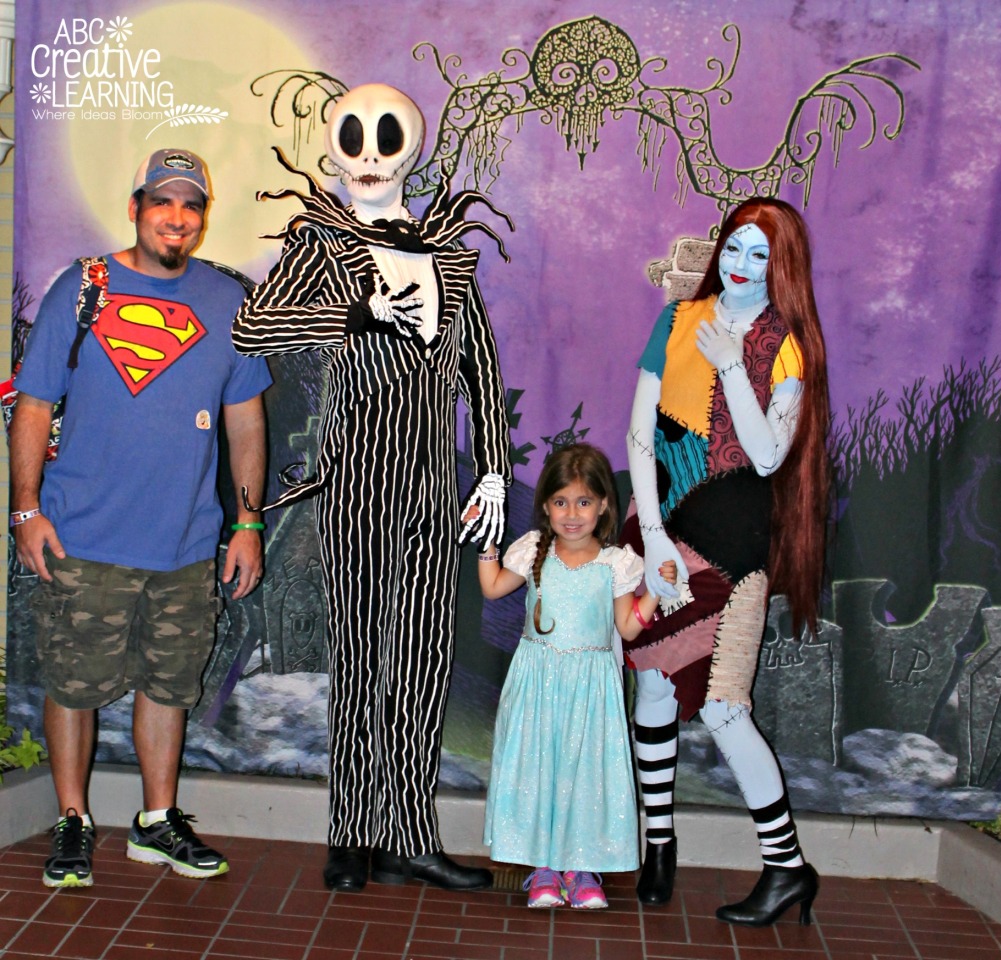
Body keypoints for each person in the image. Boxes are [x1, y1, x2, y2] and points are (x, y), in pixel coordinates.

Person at [233, 83, 511, 892]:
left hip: (431, 489)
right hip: (354, 481)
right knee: (358, 655)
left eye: (384, 137)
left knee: (423, 658)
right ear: (333, 145)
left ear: (409, 148)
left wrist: (491, 466)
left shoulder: (450, 257)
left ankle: (410, 832)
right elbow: (254, 326)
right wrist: (349, 316)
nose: (366, 155)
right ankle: (351, 833)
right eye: (351, 136)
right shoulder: (322, 244)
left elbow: (481, 375)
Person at [9, 147, 272, 889]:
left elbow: (246, 422)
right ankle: (72, 819)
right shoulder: (84, 287)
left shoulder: (225, 303)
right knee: (75, 684)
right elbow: (33, 403)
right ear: (137, 206)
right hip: (84, 534)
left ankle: (157, 820)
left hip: (186, 544)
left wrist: (246, 524)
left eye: (191, 206)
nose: (177, 218)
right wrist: (24, 509)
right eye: (164, 202)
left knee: (169, 684)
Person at [624, 197, 830, 925]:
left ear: (784, 268)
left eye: (760, 255)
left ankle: (786, 867)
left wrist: (731, 368)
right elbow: (640, 433)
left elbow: (770, 454)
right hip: (660, 529)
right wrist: (648, 538)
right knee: (651, 683)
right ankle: (657, 844)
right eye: (735, 248)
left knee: (721, 705)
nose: (742, 266)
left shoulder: (787, 346)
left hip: (736, 551)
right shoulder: (678, 318)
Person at [474, 443, 676, 909]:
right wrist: (485, 540)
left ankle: (581, 868)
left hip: (592, 690)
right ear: (545, 506)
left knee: (586, 773)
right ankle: (543, 867)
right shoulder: (531, 552)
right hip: (537, 684)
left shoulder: (617, 564)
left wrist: (657, 593)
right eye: (561, 502)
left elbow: (627, 627)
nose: (572, 514)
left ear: (603, 505)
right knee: (539, 769)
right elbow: (492, 587)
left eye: (583, 502)